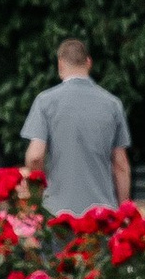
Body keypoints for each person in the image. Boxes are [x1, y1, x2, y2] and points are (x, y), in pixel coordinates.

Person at [22, 39, 132, 217]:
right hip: (101, 217)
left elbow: (35, 157)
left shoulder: (45, 102)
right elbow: (120, 165)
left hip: (57, 215)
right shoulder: (112, 104)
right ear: (89, 62)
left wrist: (36, 197)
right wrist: (124, 210)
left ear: (60, 64)